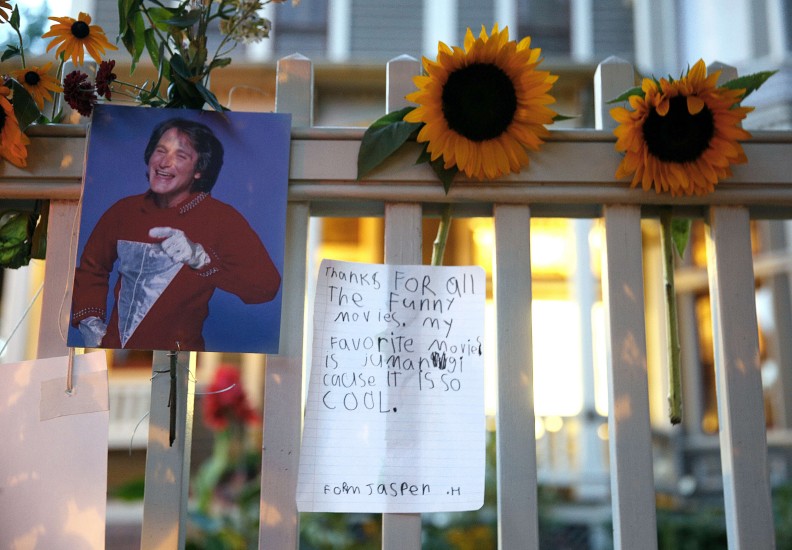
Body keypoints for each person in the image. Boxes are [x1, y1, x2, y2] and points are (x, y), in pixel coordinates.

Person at [71, 117, 281, 351]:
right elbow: (92, 267)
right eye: (160, 151)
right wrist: (90, 322)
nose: (164, 163)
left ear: (199, 170)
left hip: (181, 360)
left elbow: (266, 288)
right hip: (114, 357)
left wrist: (202, 259)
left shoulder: (222, 218)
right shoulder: (123, 211)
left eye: (180, 156)